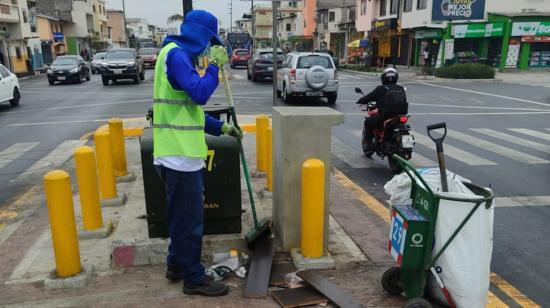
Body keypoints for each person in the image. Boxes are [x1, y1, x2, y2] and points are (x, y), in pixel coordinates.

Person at [152, 10, 242, 297]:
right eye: (209, 42)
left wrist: (222, 128)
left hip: (178, 153)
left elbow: (190, 111)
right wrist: (215, 66)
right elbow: (200, 93)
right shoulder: (176, 55)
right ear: (199, 35)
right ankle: (193, 278)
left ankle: (176, 264)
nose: (209, 48)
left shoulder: (176, 55)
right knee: (189, 221)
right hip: (179, 156)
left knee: (180, 217)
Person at [357, 67, 407, 152]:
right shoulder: (401, 88)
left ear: (383, 78)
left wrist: (361, 100)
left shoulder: (381, 88)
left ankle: (368, 145)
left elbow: (369, 97)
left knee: (368, 122)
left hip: (384, 115)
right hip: (400, 116)